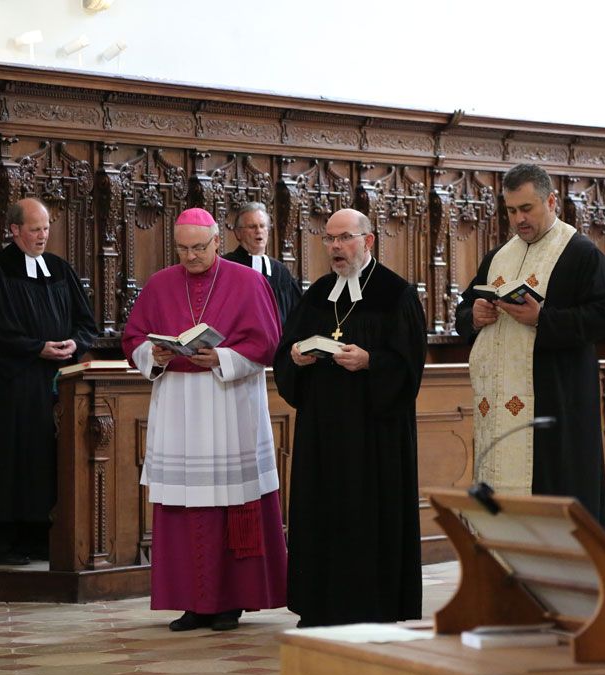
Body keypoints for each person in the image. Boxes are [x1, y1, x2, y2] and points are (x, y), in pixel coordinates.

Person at [122, 207, 286, 632]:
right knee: (183, 506)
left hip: (229, 403)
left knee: (233, 504)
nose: (191, 256)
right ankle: (192, 602)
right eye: (183, 248)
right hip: (178, 405)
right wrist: (154, 354)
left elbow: (268, 342)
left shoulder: (249, 281)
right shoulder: (160, 284)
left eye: (198, 247)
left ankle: (232, 601)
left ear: (217, 241)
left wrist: (222, 357)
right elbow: (133, 337)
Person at [274, 208, 426, 627]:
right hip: (322, 431)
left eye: (344, 238)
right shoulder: (318, 293)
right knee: (320, 512)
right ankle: (319, 606)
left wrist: (371, 361)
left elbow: (410, 365)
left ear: (368, 241)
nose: (335, 247)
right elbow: (286, 349)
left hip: (374, 433)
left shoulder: (396, 294)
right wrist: (295, 356)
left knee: (367, 515)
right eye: (329, 239)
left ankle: (371, 606)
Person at [454, 163, 605, 531]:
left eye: (526, 208)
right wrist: (474, 315)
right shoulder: (498, 257)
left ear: (551, 201)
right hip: (502, 411)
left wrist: (542, 318)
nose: (519, 219)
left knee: (556, 495)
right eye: (511, 210)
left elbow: (603, 318)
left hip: (555, 403)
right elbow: (464, 309)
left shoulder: (581, 253)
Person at [0, 197, 97, 565]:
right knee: (12, 457)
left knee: (47, 456)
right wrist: (36, 348)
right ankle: (0, 542)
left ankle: (40, 535)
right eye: (35, 229)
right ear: (14, 230)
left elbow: (86, 322)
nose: (43, 235)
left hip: (57, 381)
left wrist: (75, 343)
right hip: (12, 382)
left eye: (46, 228)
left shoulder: (59, 269)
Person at [222, 201, 301, 327]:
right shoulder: (225, 267)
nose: (258, 231)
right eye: (252, 227)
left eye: (263, 226)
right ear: (238, 233)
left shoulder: (280, 271)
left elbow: (296, 317)